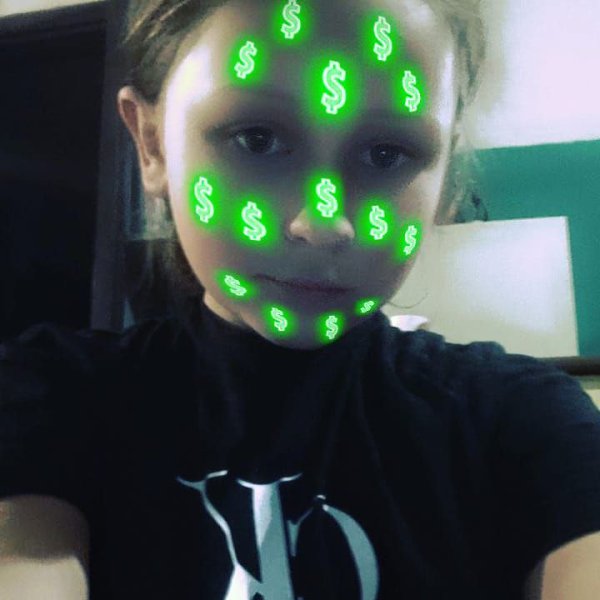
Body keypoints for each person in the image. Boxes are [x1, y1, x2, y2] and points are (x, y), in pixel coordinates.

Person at [1, 0, 599, 598]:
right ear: (151, 144)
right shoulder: (50, 399)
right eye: (257, 139)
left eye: (386, 154)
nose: (323, 223)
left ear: (443, 173)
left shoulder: (523, 424)